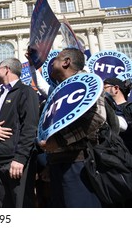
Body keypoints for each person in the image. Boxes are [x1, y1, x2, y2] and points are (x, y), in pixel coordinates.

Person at [38, 48, 119, 207]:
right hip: (57, 165)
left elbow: (97, 118)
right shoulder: (59, 89)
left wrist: (59, 142)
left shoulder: (88, 81)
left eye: (56, 59)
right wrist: (50, 161)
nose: (52, 63)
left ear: (66, 62)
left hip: (80, 165)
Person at [0, 58, 39, 208]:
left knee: (21, 205)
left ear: (6, 69)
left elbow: (30, 127)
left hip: (17, 162)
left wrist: (20, 158)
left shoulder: (26, 92)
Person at [103, 77, 132, 153]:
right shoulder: (102, 108)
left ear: (116, 88)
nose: (101, 91)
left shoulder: (130, 107)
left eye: (104, 88)